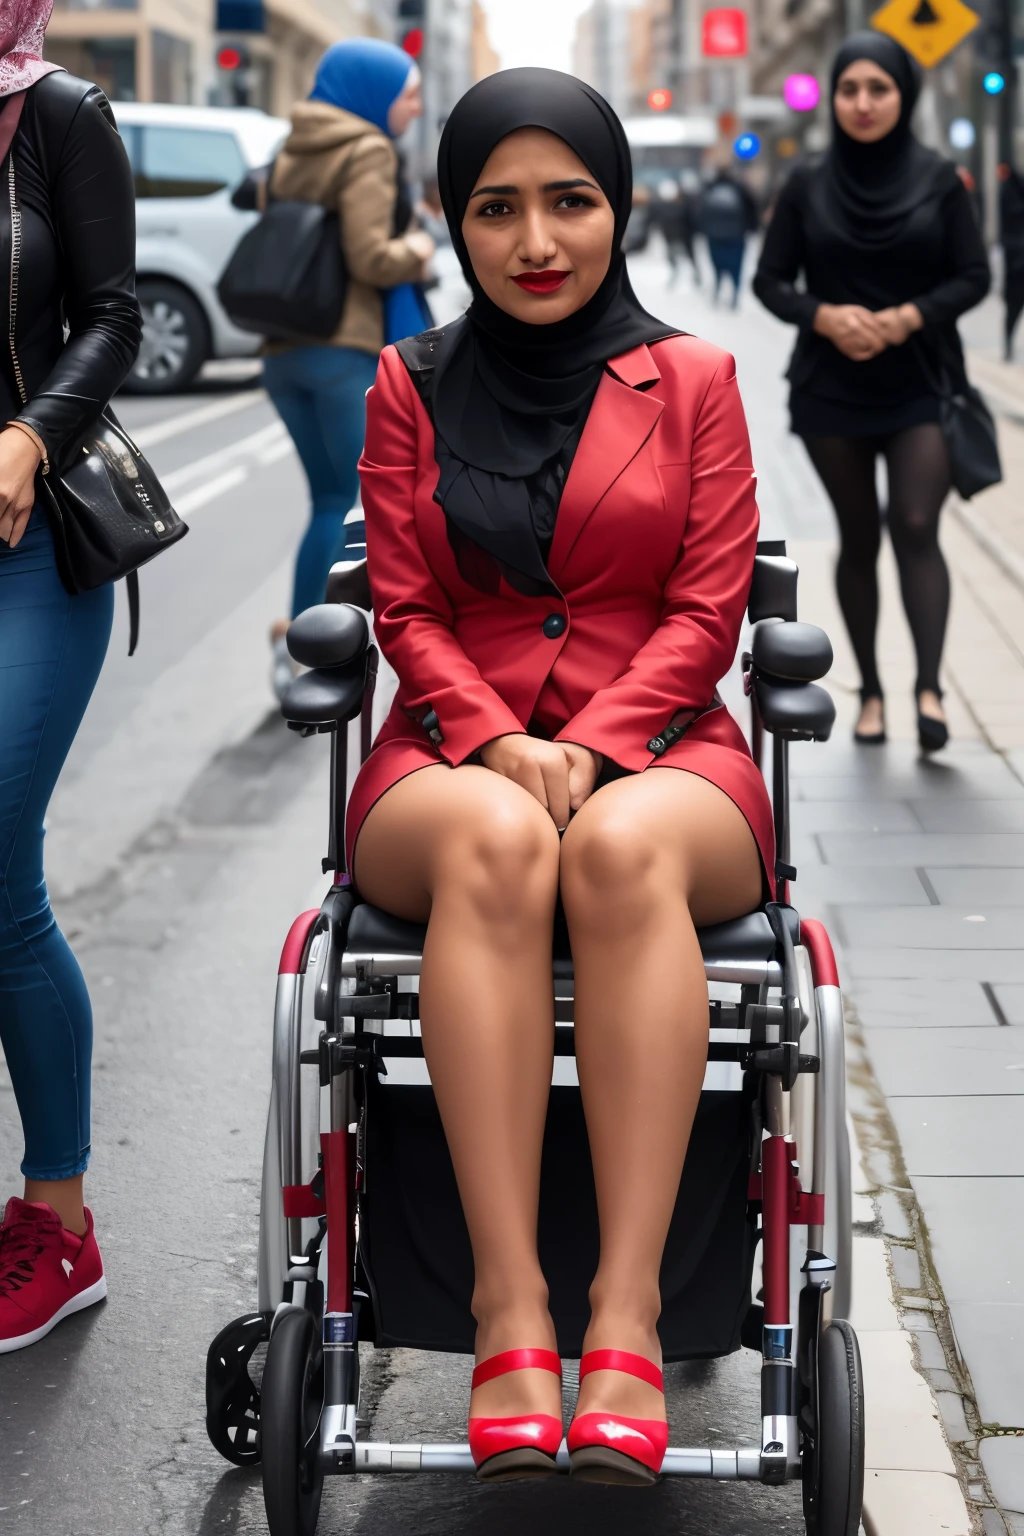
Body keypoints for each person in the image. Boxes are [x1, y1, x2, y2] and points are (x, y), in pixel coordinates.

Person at [349, 68, 774, 1484]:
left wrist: (593, 742)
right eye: (498, 207)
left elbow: (708, 614)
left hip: (664, 748)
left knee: (613, 851)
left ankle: (630, 1317)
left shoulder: (699, 383)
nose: (538, 240)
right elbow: (402, 609)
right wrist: (494, 737)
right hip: (451, 751)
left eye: (570, 202)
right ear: (454, 225)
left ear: (618, 207)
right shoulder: (404, 385)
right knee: (502, 845)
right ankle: (509, 1305)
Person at [0, 5, 142, 1352]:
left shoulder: (57, 117)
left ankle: (59, 1218)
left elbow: (116, 318)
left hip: (26, 549)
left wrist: (33, 433)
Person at [753, 34, 989, 750]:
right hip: (833, 389)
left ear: (903, 96)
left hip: (921, 382)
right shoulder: (807, 183)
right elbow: (770, 280)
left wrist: (909, 317)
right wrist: (823, 316)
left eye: (878, 89)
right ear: (833, 97)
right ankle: (873, 693)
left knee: (915, 523)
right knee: (858, 536)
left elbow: (973, 275)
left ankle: (928, 689)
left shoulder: (941, 179)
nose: (862, 103)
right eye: (849, 88)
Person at [265, 38, 434, 696]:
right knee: (354, 504)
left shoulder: (294, 143)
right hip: (343, 348)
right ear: (375, 93)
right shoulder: (367, 150)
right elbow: (370, 257)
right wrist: (417, 247)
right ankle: (316, 644)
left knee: (327, 499)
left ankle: (304, 637)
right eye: (409, 94)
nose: (416, 107)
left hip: (285, 351)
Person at [697, 166, 757, 306]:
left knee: (717, 265)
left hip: (715, 235)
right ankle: (735, 293)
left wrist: (702, 229)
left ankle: (718, 289)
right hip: (736, 235)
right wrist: (751, 228)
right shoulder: (740, 188)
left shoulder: (709, 188)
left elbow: (700, 211)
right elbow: (752, 208)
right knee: (736, 266)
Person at [998, 162, 1024, 361]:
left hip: (1015, 268)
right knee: (1013, 312)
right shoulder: (1009, 190)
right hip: (1016, 270)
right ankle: (1007, 345)